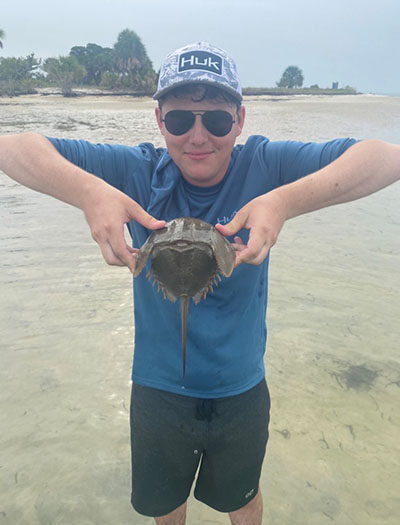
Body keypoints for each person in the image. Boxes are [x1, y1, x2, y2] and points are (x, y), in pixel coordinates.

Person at [0, 41, 399, 524]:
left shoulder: (265, 166)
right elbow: (12, 147)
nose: (197, 136)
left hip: (241, 391)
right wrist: (89, 192)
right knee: (166, 509)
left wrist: (285, 202)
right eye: (179, 120)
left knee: (243, 501)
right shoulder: (137, 170)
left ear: (240, 120)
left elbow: (385, 157)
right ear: (158, 120)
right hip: (157, 389)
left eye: (215, 120)